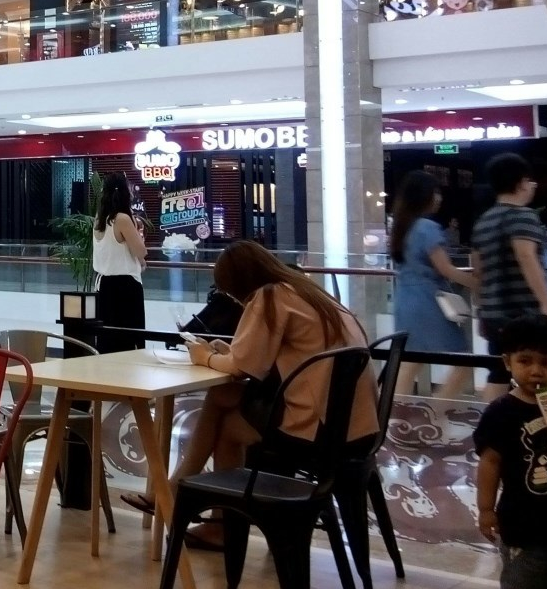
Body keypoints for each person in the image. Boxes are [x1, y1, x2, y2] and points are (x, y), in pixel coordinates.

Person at [119, 241, 379, 547]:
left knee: (227, 428)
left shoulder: (269, 297)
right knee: (222, 396)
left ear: (239, 285)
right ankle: (183, 494)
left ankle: (210, 519)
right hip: (357, 426)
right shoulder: (308, 291)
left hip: (320, 431)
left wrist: (204, 356)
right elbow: (256, 360)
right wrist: (229, 353)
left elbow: (242, 367)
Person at [473, 316, 547, 589]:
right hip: (522, 525)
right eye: (525, 361)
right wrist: (485, 509)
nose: (537, 371)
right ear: (508, 362)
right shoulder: (501, 412)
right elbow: (489, 463)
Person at [474, 153, 547, 400]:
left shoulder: (484, 221)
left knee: (499, 371)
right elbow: (526, 257)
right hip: (522, 313)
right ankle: (546, 421)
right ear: (522, 182)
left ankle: (493, 419)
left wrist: (481, 310)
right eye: (530, 181)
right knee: (543, 368)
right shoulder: (522, 216)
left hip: (493, 313)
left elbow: (479, 271)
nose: (533, 186)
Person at [390, 171, 478, 400]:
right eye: (435, 192)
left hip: (405, 300)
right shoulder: (427, 227)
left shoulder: (402, 227)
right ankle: (437, 410)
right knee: (463, 359)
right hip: (428, 300)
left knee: (411, 362)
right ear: (424, 196)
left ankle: (393, 412)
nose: (439, 197)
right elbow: (445, 268)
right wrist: (478, 284)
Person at [92, 172, 146, 353]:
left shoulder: (100, 218)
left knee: (108, 340)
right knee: (130, 340)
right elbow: (140, 251)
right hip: (126, 287)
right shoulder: (122, 218)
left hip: (104, 285)